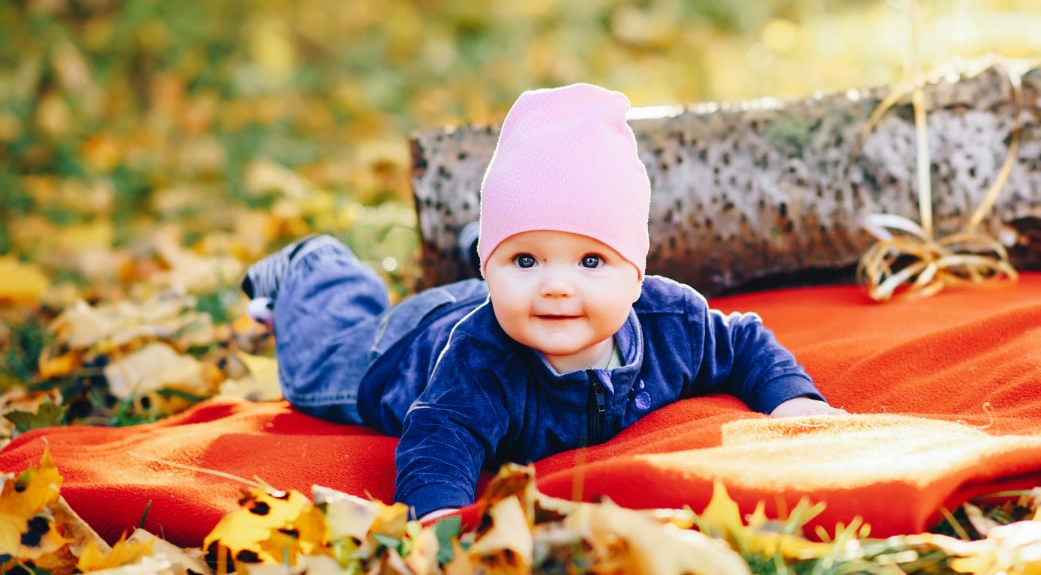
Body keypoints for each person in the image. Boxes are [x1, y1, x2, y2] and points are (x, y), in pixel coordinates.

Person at [241, 83, 842, 522]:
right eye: (526, 259)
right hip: (400, 352)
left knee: (528, 278)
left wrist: (791, 401)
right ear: (496, 265)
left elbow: (742, 343)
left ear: (636, 274)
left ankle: (487, 252)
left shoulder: (671, 323)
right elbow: (440, 438)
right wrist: (437, 519)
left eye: (590, 261)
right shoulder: (480, 362)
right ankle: (314, 268)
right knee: (316, 367)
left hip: (491, 299)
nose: (558, 285)